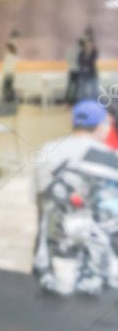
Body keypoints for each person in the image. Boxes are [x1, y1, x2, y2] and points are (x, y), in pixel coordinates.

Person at [31, 101, 112, 273]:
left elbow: (35, 198)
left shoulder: (47, 149)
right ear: (100, 126)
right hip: (94, 257)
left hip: (49, 248)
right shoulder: (110, 158)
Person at [77, 37, 99, 102]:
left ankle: (94, 103)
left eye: (90, 43)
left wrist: (85, 64)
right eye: (87, 43)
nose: (88, 45)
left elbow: (92, 61)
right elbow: (79, 61)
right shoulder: (82, 52)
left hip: (92, 74)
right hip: (83, 74)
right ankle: (83, 103)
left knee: (94, 90)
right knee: (82, 90)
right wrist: (84, 65)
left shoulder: (94, 52)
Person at [64, 40, 82, 105]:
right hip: (77, 70)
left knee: (70, 86)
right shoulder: (81, 51)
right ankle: (74, 102)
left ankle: (67, 102)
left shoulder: (71, 49)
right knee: (76, 87)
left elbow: (67, 59)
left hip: (71, 69)